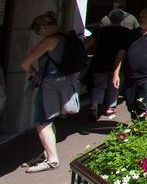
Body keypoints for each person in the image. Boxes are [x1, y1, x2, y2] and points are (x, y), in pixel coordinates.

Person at [19, 12, 80, 173]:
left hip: (49, 85)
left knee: (42, 122)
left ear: (44, 27)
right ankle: (47, 151)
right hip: (66, 83)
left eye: (38, 32)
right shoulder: (67, 36)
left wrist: (33, 74)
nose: (38, 35)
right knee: (50, 119)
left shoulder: (49, 41)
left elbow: (25, 63)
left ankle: (52, 160)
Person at [112, 8, 147, 120]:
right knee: (130, 102)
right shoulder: (130, 34)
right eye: (141, 16)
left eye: (146, 17)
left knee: (145, 102)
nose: (142, 19)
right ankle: (136, 120)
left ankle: (142, 124)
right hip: (130, 75)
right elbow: (120, 55)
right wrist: (115, 74)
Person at [85, 9, 134, 121]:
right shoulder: (125, 32)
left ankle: (94, 106)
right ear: (122, 19)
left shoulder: (100, 30)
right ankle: (110, 107)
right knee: (114, 85)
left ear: (109, 18)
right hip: (117, 62)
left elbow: (88, 43)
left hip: (99, 61)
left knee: (98, 86)